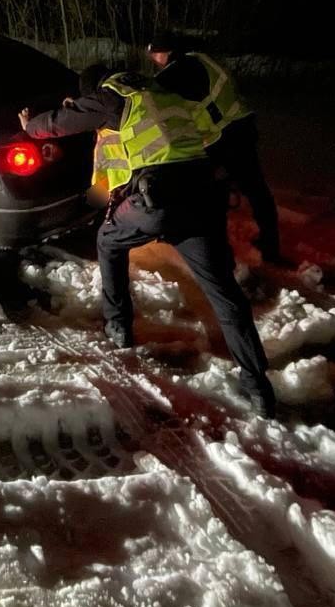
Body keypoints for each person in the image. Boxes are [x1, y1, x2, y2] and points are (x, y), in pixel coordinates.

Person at [20, 64, 276, 417]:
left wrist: (30, 126)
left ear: (94, 90)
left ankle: (118, 326)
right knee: (224, 292)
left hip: (156, 200)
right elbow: (201, 137)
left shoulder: (113, 96)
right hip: (201, 198)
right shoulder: (166, 97)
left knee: (108, 242)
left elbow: (60, 124)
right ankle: (258, 387)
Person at [146, 31, 284, 266]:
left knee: (205, 196)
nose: (153, 61)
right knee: (256, 190)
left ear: (163, 53)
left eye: (153, 56)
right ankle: (271, 246)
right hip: (242, 127)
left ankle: (218, 255)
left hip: (220, 138)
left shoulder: (175, 73)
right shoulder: (200, 58)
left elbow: (151, 98)